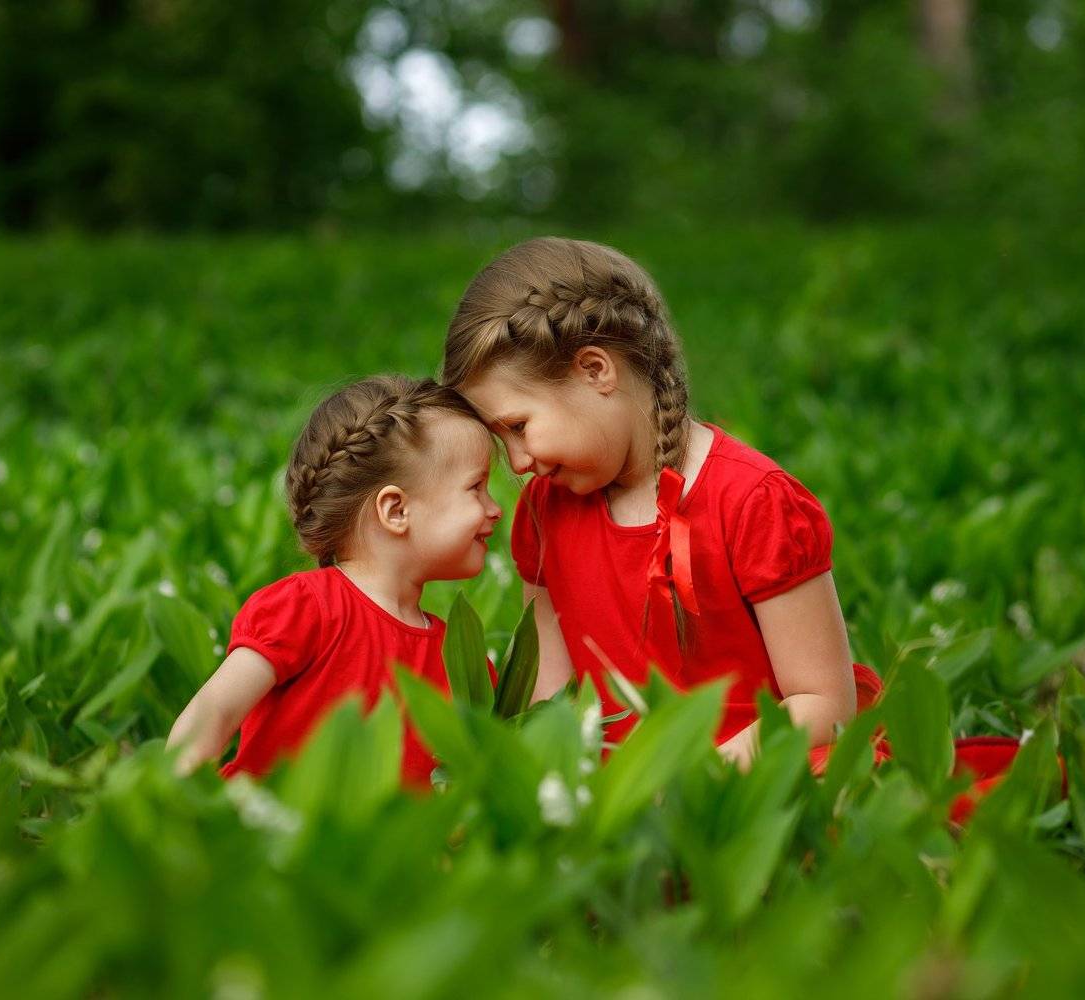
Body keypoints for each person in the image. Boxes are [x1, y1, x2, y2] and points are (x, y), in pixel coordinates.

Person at [442, 237, 872, 769]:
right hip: (627, 780)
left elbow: (826, 704)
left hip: (760, 766)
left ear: (595, 369)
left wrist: (694, 779)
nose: (519, 461)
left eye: (519, 427)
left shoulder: (753, 500)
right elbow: (545, 701)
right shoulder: (543, 512)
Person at [166, 375, 502, 785]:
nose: (495, 509)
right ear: (396, 510)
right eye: (477, 488)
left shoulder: (463, 662)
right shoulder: (306, 608)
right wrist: (180, 804)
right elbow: (215, 712)